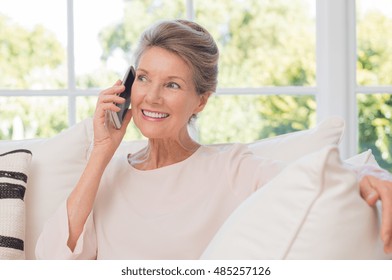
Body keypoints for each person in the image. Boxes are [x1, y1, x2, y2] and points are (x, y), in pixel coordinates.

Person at [35, 19, 392, 259]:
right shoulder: (107, 172)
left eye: (172, 84)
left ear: (201, 100)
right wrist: (101, 152)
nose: (152, 97)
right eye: (143, 78)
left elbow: (318, 177)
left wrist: (373, 178)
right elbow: (51, 259)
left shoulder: (231, 167)